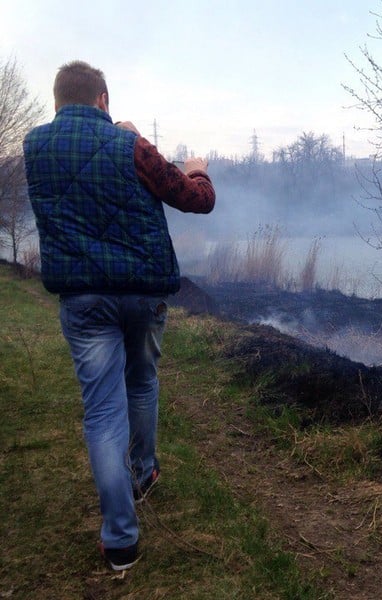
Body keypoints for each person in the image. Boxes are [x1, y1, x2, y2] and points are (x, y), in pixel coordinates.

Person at [23, 60, 215, 571]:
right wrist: (195, 165)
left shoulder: (33, 147)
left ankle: (121, 539)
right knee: (143, 382)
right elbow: (197, 200)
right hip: (141, 294)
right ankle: (144, 471)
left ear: (57, 101)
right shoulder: (131, 147)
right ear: (104, 100)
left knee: (102, 412)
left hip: (83, 300)